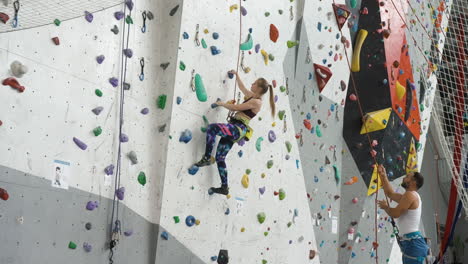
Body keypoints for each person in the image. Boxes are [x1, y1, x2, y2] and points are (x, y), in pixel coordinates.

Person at [194, 70, 275, 195]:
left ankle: (206, 158)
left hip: (238, 129)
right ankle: (224, 187)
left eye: (254, 83)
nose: (251, 84)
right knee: (220, 158)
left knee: (212, 128)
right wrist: (237, 75)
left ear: (258, 88)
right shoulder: (253, 97)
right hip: (235, 128)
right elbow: (242, 88)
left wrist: (221, 103)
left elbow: (236, 108)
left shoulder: (256, 102)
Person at [377, 164, 429, 264]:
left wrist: (386, 207)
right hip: (411, 243)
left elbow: (395, 213)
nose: (404, 177)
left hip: (413, 244)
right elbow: (390, 193)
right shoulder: (411, 196)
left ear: (413, 182)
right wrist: (383, 176)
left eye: (407, 176)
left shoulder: (410, 195)